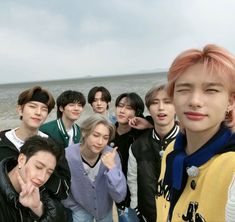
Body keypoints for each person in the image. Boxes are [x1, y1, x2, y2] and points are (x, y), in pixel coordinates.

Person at [156, 44, 235, 221]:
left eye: (211, 90)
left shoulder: (231, 165)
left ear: (230, 101)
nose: (195, 101)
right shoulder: (172, 150)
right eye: (184, 89)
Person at [0, 86, 71, 200]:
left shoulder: (53, 145)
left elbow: (65, 189)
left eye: (44, 109)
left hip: (38, 211)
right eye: (32, 106)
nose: (38, 112)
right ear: (20, 109)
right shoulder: (2, 142)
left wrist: (38, 175)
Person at [127, 85, 180, 222]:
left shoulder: (189, 141)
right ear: (149, 109)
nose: (161, 107)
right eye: (155, 103)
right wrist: (136, 205)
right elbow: (132, 178)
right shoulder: (137, 146)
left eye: (167, 102)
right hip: (149, 213)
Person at [62, 114, 127, 222]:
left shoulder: (112, 155)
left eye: (105, 138)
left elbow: (119, 196)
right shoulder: (67, 155)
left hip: (105, 208)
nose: (100, 142)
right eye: (96, 135)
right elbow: (63, 188)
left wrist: (112, 168)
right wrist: (74, 207)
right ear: (84, 132)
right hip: (80, 208)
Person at [0, 135, 67, 221]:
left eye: (49, 173)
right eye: (38, 167)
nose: (42, 178)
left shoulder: (41, 191)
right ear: (21, 160)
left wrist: (38, 208)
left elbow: (61, 217)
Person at [109, 92, 147, 222]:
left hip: (139, 193)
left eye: (129, 108)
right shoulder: (108, 134)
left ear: (137, 112)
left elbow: (163, 127)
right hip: (119, 194)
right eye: (120, 106)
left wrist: (148, 124)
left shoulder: (142, 135)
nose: (122, 110)